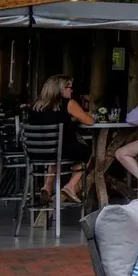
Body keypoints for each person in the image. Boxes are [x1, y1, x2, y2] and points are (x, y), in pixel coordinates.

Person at [28, 74, 94, 205]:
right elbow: (90, 121)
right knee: (88, 151)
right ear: (60, 88)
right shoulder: (68, 103)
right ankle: (71, 185)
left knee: (56, 152)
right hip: (60, 151)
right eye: (68, 87)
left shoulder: (35, 105)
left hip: (35, 152)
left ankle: (47, 187)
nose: (71, 90)